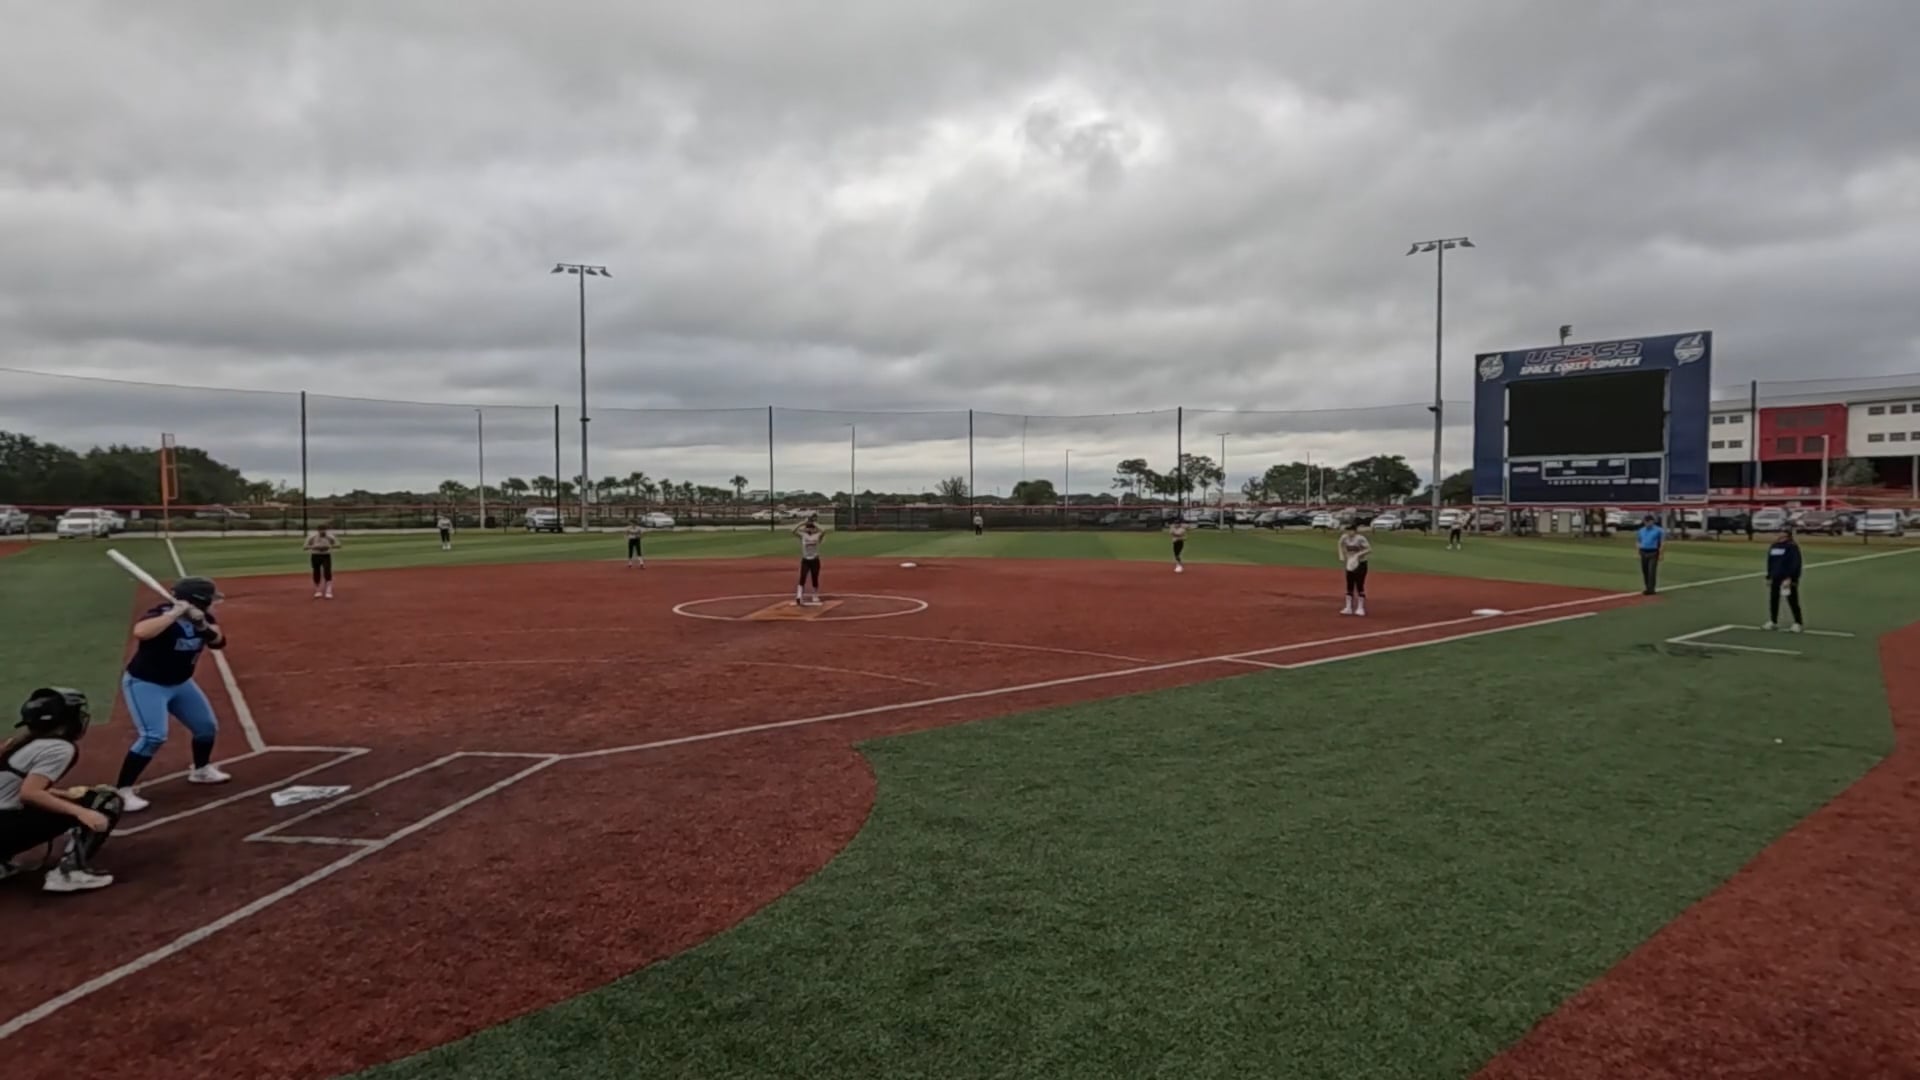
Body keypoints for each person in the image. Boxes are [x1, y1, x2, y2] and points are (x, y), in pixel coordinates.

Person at [115, 576, 233, 812]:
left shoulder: (204, 617)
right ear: (198, 599)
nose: (212, 603)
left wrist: (201, 626)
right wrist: (174, 614)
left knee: (206, 728)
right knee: (153, 736)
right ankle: (122, 791)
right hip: (146, 683)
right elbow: (141, 632)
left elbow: (218, 642)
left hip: (181, 683)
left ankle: (201, 770)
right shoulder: (160, 613)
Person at [1, 688, 120, 892]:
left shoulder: (19, 743)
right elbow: (29, 793)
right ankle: (68, 873)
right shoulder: (59, 748)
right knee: (105, 800)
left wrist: (64, 794)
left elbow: (11, 788)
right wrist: (81, 812)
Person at [1764, 527, 1804, 632]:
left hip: (1787, 579)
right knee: (1774, 600)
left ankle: (1798, 623)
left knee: (1792, 601)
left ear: (1787, 534)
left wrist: (1790, 578)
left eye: (1782, 532)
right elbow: (1770, 562)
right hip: (1775, 578)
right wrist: (1769, 576)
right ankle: (1773, 622)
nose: (1779, 534)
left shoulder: (1792, 547)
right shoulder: (1774, 546)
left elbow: (1795, 563)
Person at [1337, 519, 1372, 616]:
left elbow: (1369, 549)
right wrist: (1341, 555)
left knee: (1360, 585)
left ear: (1355, 531)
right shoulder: (1344, 537)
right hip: (1350, 563)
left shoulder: (1360, 539)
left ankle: (1360, 608)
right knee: (1350, 584)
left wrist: (1358, 555)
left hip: (1361, 564)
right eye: (1347, 530)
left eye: (1350, 530)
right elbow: (1340, 543)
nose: (1349, 532)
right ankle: (1348, 607)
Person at [793, 515, 824, 606]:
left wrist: (814, 523)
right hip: (805, 560)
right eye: (808, 528)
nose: (809, 529)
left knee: (815, 577)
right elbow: (793, 531)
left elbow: (824, 531)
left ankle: (815, 595)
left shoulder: (817, 536)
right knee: (802, 577)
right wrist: (802, 523)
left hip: (815, 560)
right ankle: (799, 595)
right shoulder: (803, 535)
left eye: (811, 528)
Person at [304, 524, 339, 599]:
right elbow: (305, 547)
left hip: (326, 555)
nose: (323, 532)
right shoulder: (312, 537)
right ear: (318, 530)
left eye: (324, 530)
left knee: (327, 571)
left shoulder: (330, 537)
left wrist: (328, 546)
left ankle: (328, 591)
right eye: (321, 530)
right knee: (316, 572)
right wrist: (315, 547)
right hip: (315, 555)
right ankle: (318, 590)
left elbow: (338, 545)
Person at [1636, 513, 1665, 595]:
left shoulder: (1658, 530)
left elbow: (1662, 543)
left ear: (1652, 521)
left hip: (1653, 552)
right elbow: (1638, 541)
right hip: (1643, 551)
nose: (1647, 523)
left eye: (1648, 521)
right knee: (1645, 570)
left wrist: (1661, 554)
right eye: (1645, 522)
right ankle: (1647, 587)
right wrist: (1638, 552)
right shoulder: (1641, 530)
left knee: (1651, 571)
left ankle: (1651, 589)